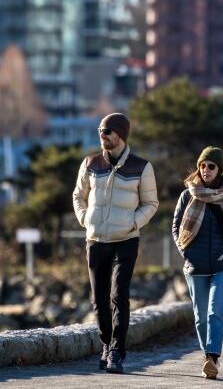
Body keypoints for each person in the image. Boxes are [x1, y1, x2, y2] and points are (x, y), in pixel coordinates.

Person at [72, 113, 159, 374]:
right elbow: (78, 196)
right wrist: (85, 219)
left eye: (107, 130)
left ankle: (117, 352)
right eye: (100, 130)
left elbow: (151, 204)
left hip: (126, 240)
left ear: (120, 134)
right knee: (99, 299)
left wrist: (133, 223)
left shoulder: (141, 167)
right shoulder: (90, 163)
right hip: (96, 239)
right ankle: (105, 344)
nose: (102, 134)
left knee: (118, 295)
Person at [172, 146, 223, 380]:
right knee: (200, 315)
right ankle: (207, 354)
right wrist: (186, 251)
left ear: (219, 169)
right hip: (195, 266)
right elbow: (176, 228)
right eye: (202, 165)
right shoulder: (187, 195)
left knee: (215, 312)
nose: (205, 170)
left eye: (211, 166)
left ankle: (212, 358)